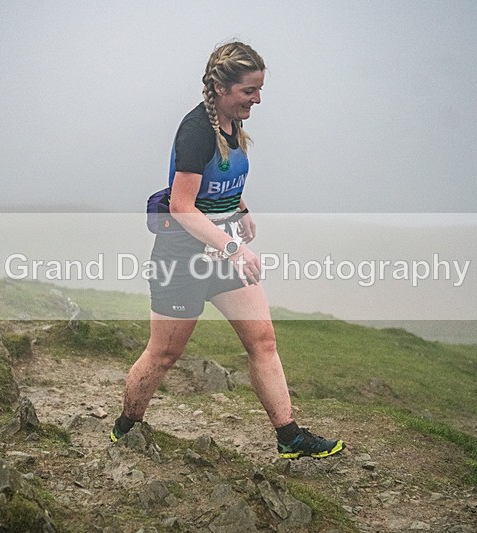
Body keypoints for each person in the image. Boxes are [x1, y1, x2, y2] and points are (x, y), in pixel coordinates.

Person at [111, 41, 344, 460]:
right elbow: (182, 206)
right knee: (163, 354)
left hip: (221, 252)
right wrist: (235, 247)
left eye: (259, 90)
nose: (257, 99)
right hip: (181, 259)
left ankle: (289, 436)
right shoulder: (195, 131)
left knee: (263, 341)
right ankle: (127, 427)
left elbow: (221, 182)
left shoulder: (232, 123)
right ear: (220, 87)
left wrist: (242, 209)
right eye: (249, 91)